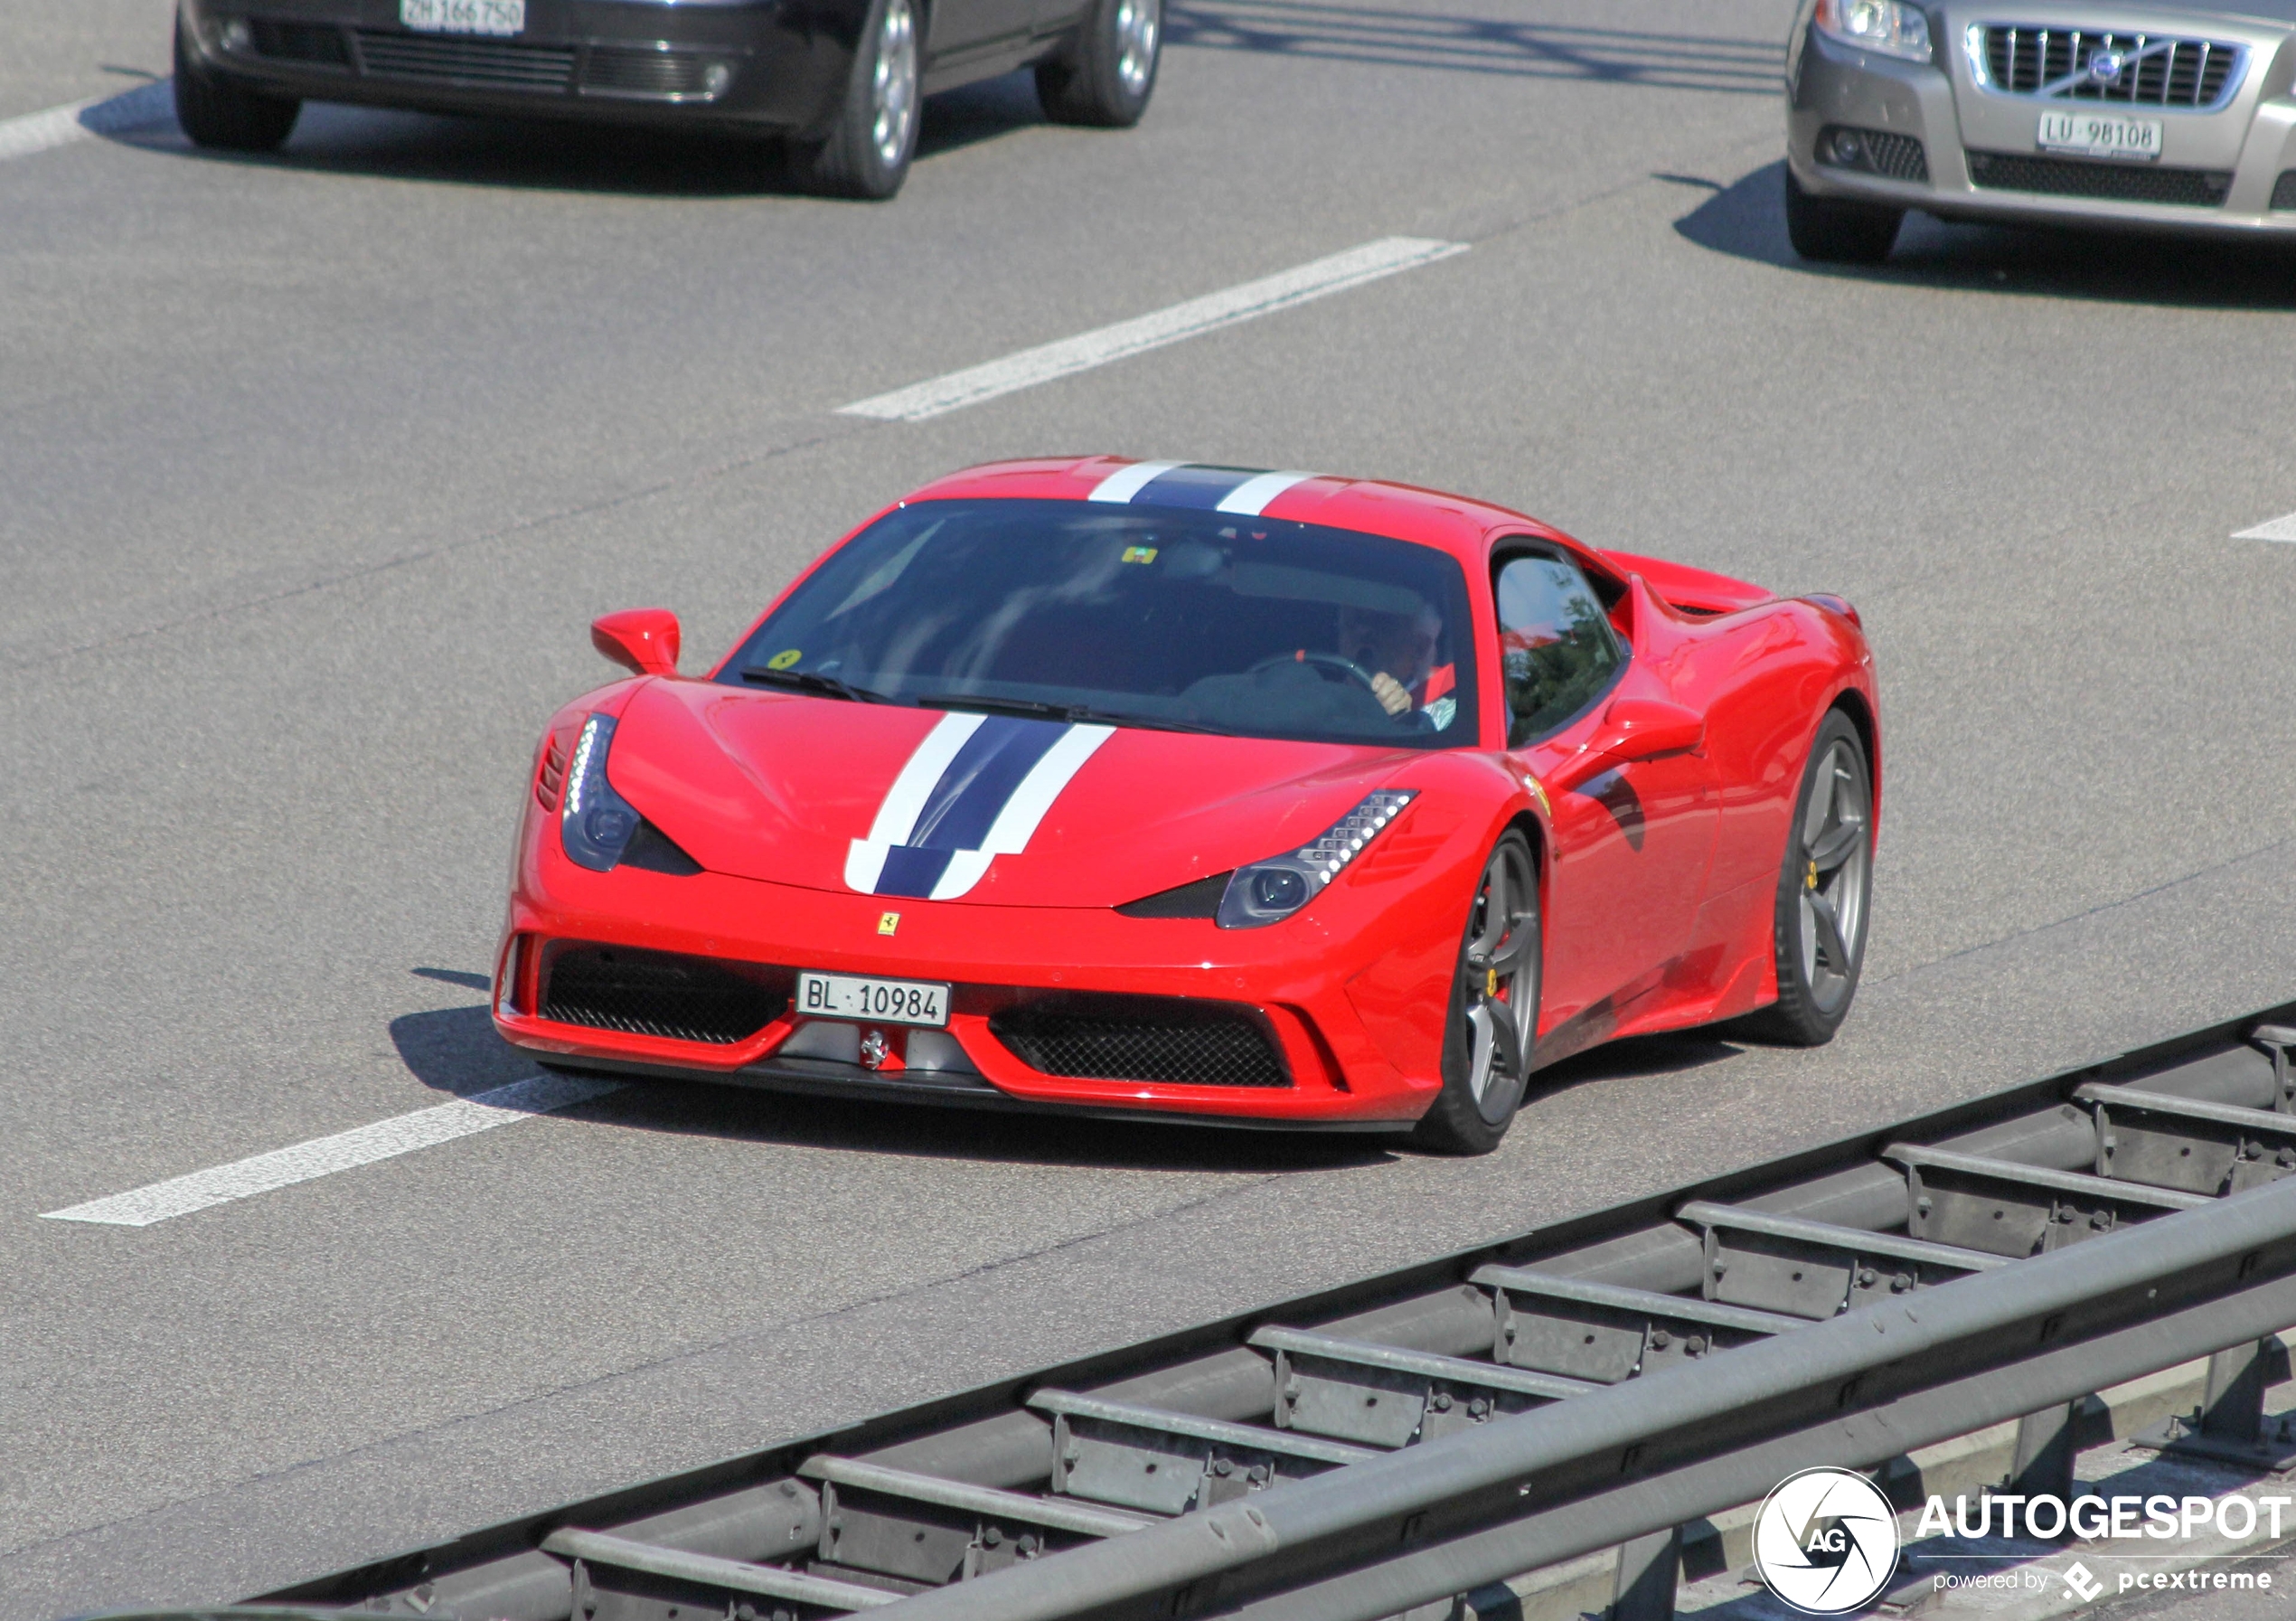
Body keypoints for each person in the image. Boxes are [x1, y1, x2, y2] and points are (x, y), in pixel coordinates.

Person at [1337, 601, 1454, 722]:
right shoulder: (1319, 697)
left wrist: (1404, 724)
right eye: (1351, 622)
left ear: (1419, 647)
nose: (1362, 631)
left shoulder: (1445, 718)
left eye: (1381, 622)